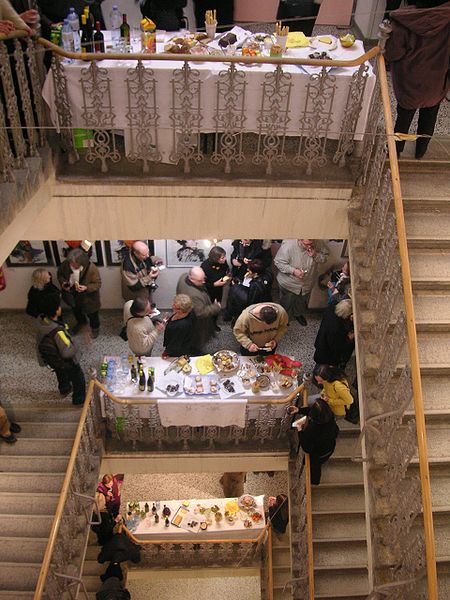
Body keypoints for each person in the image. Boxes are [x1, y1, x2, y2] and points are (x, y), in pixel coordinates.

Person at [385, 0, 450, 159]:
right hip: (437, 81)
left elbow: (393, 53)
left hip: (409, 82)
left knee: (404, 118)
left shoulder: (403, 20)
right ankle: (420, 152)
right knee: (430, 116)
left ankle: (395, 152)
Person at [36, 295, 86, 405]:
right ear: (56, 310)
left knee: (60, 372)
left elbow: (39, 341)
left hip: (53, 358)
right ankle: (79, 399)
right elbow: (67, 352)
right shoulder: (58, 331)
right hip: (67, 361)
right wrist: (78, 342)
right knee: (78, 378)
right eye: (58, 306)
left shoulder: (42, 321)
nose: (60, 308)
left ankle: (65, 388)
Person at [275, 239, 329, 326]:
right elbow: (278, 262)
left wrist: (315, 255)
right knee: (286, 303)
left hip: (307, 283)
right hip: (289, 283)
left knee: (301, 302)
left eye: (311, 243)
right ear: (300, 240)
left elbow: (325, 257)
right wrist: (293, 271)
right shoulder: (288, 246)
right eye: (306, 244)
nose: (309, 246)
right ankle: (284, 319)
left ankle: (298, 314)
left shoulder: (318, 242)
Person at [291, 398, 339, 485]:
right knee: (317, 465)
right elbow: (313, 411)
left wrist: (300, 429)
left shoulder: (313, 430)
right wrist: (299, 410)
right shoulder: (329, 417)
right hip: (329, 447)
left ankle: (314, 482)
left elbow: (307, 448)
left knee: (315, 467)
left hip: (318, 454)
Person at [57, 247, 102, 338]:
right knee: (76, 311)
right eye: (71, 263)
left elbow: (97, 284)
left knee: (93, 315)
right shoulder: (66, 264)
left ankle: (95, 328)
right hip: (73, 296)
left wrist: (86, 287)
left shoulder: (91, 268)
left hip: (88, 298)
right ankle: (81, 323)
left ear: (82, 262)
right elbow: (60, 275)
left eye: (74, 264)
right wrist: (63, 283)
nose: (72, 265)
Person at [176, 266, 221, 352]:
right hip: (195, 322)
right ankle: (195, 352)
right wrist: (216, 307)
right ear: (191, 279)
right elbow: (200, 313)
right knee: (196, 339)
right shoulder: (193, 295)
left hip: (186, 314)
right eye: (200, 281)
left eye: (203, 279)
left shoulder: (183, 276)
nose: (204, 282)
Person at [313, 299, 355, 367]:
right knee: (322, 369)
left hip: (321, 341)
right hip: (327, 353)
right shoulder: (335, 328)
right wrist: (349, 338)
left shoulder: (332, 307)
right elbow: (336, 346)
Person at [201, 245, 230, 332]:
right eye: (222, 258)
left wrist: (227, 277)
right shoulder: (205, 266)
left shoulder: (223, 263)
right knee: (207, 309)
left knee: (217, 307)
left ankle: (214, 324)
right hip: (207, 291)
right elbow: (202, 284)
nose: (224, 259)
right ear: (215, 258)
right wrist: (214, 284)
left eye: (224, 256)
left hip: (218, 290)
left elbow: (226, 270)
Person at [162, 293, 196, 358]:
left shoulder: (181, 326)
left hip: (178, 350)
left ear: (181, 310)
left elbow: (175, 343)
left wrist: (166, 352)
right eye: (174, 303)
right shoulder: (187, 312)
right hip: (177, 339)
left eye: (175, 306)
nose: (172, 306)